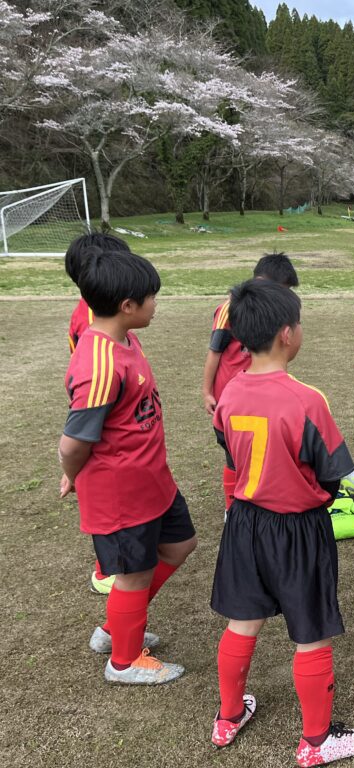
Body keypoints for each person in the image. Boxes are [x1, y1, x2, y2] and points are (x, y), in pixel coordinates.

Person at [209, 279, 354, 764]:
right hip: (299, 529)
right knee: (311, 632)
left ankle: (229, 715)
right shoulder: (306, 400)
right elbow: (337, 472)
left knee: (244, 622)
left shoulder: (231, 392)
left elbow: (229, 450)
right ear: (287, 333)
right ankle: (318, 741)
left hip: (243, 522)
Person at [60, 248, 196, 684]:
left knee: (180, 545)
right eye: (151, 297)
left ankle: (116, 627)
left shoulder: (126, 338)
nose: (156, 304)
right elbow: (74, 441)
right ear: (127, 306)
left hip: (151, 477)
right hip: (121, 493)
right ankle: (123, 661)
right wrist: (72, 472)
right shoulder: (97, 362)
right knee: (134, 574)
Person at [202, 253, 299, 509]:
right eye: (282, 290)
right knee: (235, 458)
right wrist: (207, 391)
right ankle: (231, 507)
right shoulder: (231, 307)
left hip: (261, 392)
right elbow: (215, 351)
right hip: (232, 397)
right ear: (262, 281)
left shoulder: (270, 309)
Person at [64, 232, 132, 595]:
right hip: (100, 419)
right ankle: (107, 568)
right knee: (107, 498)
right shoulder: (93, 320)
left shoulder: (99, 312)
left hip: (104, 409)